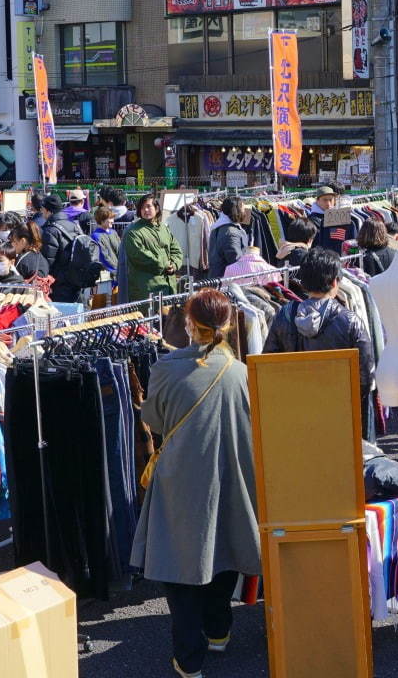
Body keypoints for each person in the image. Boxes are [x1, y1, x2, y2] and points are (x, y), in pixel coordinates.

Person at [130, 289, 261, 678]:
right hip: (233, 473)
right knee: (225, 550)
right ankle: (218, 631)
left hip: (181, 478)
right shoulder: (241, 372)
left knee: (180, 565)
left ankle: (189, 659)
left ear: (189, 324)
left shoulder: (166, 368)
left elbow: (152, 421)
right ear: (227, 326)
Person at [264, 249, 377, 436]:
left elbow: (267, 366)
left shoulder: (284, 316)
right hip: (340, 414)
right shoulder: (350, 322)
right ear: (334, 282)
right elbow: (365, 378)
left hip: (296, 412)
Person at [120, 193, 184, 305]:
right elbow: (140, 256)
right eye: (142, 207)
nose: (145, 210)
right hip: (147, 289)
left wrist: (174, 265)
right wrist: (165, 264)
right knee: (150, 320)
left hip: (168, 285)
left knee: (168, 319)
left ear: (157, 208)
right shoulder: (133, 232)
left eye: (149, 206)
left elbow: (176, 249)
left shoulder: (163, 228)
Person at [40, 195, 91, 304]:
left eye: (43, 209)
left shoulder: (50, 230)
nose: (41, 211)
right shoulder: (74, 225)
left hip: (60, 283)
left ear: (49, 211)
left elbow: (47, 261)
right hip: (76, 278)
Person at [207, 197, 251, 281]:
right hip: (227, 281)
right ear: (236, 210)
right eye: (242, 209)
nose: (244, 211)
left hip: (220, 278)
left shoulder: (221, 227)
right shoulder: (230, 232)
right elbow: (235, 261)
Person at [307, 185, 353, 253]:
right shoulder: (312, 219)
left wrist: (352, 253)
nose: (328, 203)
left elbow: (353, 244)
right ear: (317, 201)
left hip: (341, 257)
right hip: (323, 258)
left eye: (330, 200)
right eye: (325, 200)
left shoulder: (342, 216)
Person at [90, 206, 122, 283]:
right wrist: (116, 270)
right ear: (102, 219)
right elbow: (104, 257)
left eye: (112, 218)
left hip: (119, 272)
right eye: (110, 218)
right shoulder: (96, 236)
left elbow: (121, 250)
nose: (112, 221)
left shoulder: (113, 232)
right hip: (107, 276)